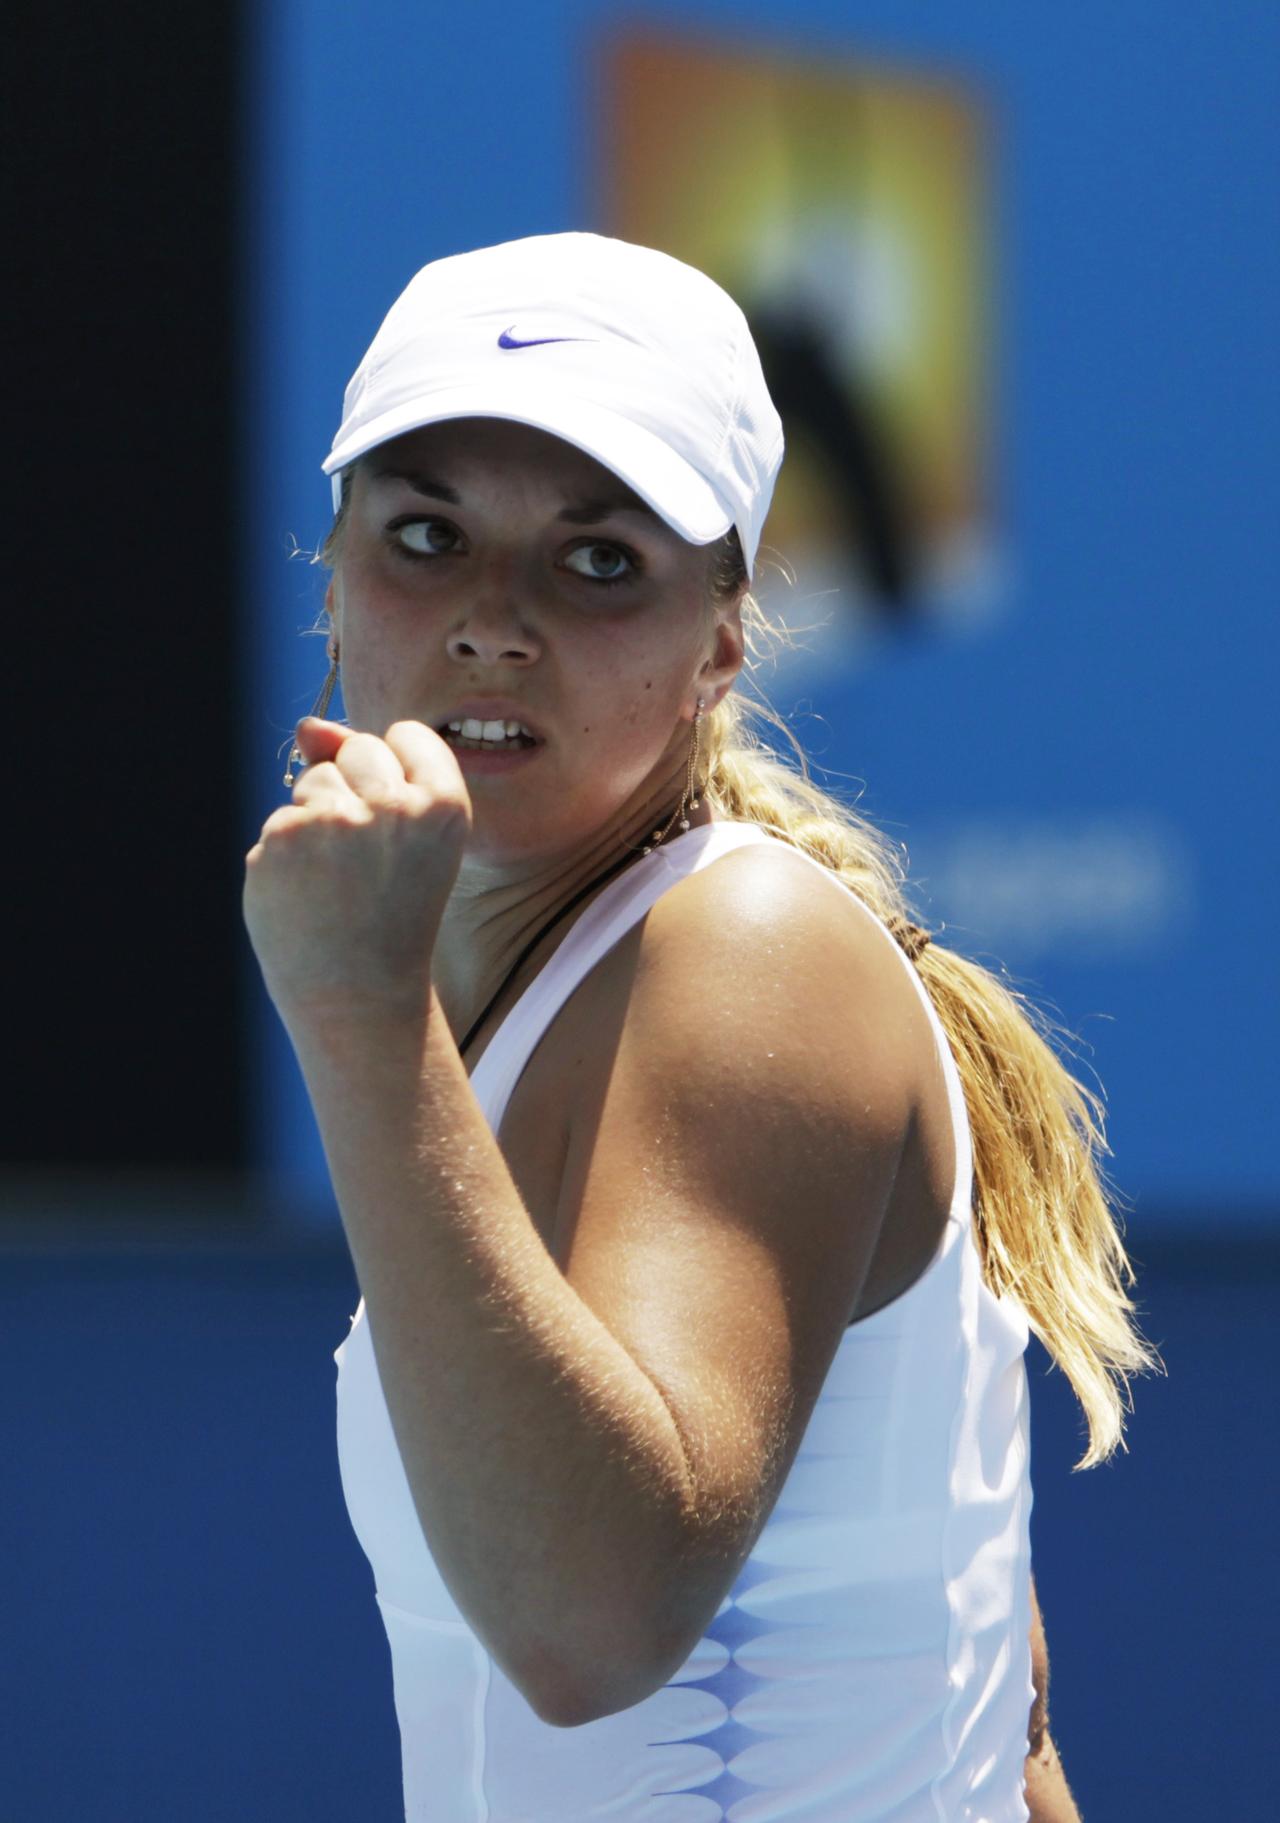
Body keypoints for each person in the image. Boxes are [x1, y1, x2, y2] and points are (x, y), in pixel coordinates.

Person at [243, 232, 1158, 1821]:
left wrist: (359, 1013)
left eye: (598, 561)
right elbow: (1001, 1724)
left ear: (721, 644)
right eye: (426, 536)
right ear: (329, 578)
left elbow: (587, 1628)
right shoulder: (558, 985)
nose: (492, 620)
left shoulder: (749, 950)